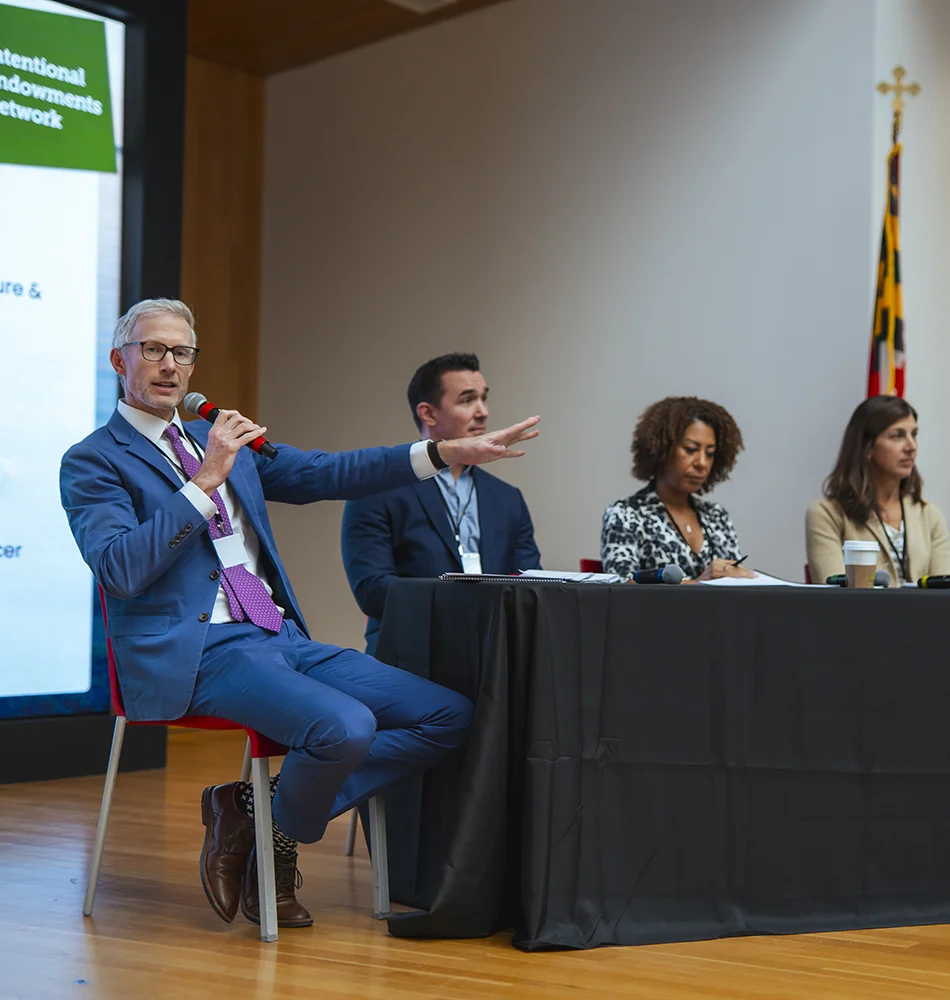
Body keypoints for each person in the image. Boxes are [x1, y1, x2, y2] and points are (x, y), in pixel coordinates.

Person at [59, 299, 540, 929]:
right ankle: (273, 836)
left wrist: (444, 453)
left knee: (447, 715)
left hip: (277, 633)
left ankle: (256, 816)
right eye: (153, 350)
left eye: (182, 352)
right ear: (119, 359)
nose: (170, 365)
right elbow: (119, 568)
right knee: (344, 727)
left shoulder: (216, 437)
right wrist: (202, 484)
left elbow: (327, 471)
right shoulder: (94, 459)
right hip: (199, 650)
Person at [341, 353, 541, 655]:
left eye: (484, 399)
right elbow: (373, 591)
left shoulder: (507, 498)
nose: (482, 412)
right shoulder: (377, 489)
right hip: (411, 656)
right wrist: (467, 605)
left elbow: (531, 584)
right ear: (428, 414)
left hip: (495, 657)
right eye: (467, 400)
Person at [601, 396, 754, 583]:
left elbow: (736, 585)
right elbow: (621, 585)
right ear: (661, 449)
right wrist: (699, 584)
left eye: (710, 453)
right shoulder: (626, 515)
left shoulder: (717, 516)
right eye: (691, 449)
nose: (702, 463)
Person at [806, 396, 950, 585]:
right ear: (867, 447)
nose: (911, 446)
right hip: (861, 614)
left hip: (924, 615)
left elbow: (943, 593)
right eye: (897, 435)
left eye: (914, 434)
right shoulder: (827, 514)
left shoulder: (929, 515)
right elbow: (835, 596)